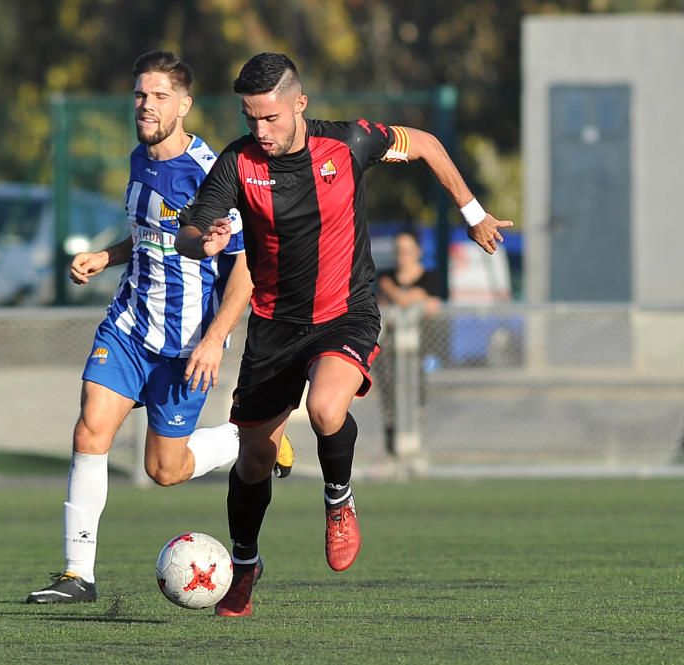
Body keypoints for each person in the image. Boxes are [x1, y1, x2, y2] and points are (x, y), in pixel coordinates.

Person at [176, 52, 512, 616]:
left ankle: (339, 501)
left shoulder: (351, 143)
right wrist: (200, 242)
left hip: (345, 312)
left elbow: (426, 143)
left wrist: (473, 212)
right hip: (275, 326)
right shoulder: (237, 164)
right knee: (254, 460)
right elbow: (192, 227)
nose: (260, 130)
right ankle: (245, 562)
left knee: (329, 409)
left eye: (270, 117)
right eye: (249, 118)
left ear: (299, 104)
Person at [26, 51, 294, 605]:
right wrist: (107, 256)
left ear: (185, 105)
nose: (147, 106)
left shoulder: (210, 174)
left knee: (164, 470)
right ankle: (78, 575)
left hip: (185, 344)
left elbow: (244, 271)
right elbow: (150, 234)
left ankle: (259, 439)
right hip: (128, 326)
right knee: (89, 431)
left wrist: (215, 340)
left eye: (160, 97)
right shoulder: (139, 159)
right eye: (140, 95)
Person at [373, 226, 445, 456]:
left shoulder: (430, 277)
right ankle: (391, 449)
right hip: (390, 352)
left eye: (407, 250)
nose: (402, 256)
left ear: (417, 251)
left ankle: (416, 447)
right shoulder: (385, 277)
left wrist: (398, 295)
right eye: (399, 251)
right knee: (389, 399)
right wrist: (410, 297)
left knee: (417, 396)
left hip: (419, 350)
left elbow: (426, 303)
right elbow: (394, 300)